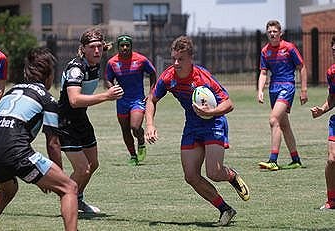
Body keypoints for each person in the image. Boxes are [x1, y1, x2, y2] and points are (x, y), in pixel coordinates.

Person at [144, 35, 250, 226]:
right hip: (192, 126)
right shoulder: (168, 77)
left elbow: (229, 103)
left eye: (181, 59)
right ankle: (225, 209)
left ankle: (231, 176)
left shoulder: (202, 77)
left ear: (190, 58)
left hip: (213, 123)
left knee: (214, 173)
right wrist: (150, 124)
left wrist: (212, 111)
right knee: (191, 176)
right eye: (174, 58)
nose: (176, 63)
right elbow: (151, 99)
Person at [0, 47, 78, 231]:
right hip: (16, 151)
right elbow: (53, 143)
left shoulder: (11, 92)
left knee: (7, 191)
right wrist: (57, 176)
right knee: (69, 188)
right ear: (49, 75)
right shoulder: (47, 99)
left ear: (26, 72)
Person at [58, 27, 123, 214]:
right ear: (83, 48)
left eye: (100, 47)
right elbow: (74, 100)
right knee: (83, 169)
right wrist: (106, 96)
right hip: (65, 122)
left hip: (80, 119)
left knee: (93, 164)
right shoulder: (76, 68)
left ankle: (77, 200)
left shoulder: (95, 65)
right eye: (92, 47)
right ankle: (67, 200)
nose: (97, 51)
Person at [257, 20, 308, 171]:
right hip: (274, 89)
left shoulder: (289, 48)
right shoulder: (265, 51)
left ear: (280, 33)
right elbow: (263, 72)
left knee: (273, 120)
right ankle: (296, 159)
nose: (272, 34)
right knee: (284, 125)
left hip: (287, 87)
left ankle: (273, 160)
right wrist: (260, 90)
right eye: (270, 32)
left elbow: (302, 67)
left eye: (275, 31)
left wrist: (303, 89)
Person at [104, 34, 156, 166]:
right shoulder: (112, 63)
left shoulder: (141, 60)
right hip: (122, 101)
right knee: (125, 129)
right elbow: (108, 79)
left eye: (127, 45)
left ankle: (141, 141)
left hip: (137, 99)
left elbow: (153, 73)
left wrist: (151, 93)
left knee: (135, 126)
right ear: (118, 47)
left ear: (131, 46)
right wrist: (112, 89)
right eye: (122, 45)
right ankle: (133, 156)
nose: (125, 47)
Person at [311, 36, 335, 210]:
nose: (334, 52)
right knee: (332, 160)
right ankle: (332, 200)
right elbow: (333, 98)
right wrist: (322, 109)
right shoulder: (331, 72)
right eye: (333, 49)